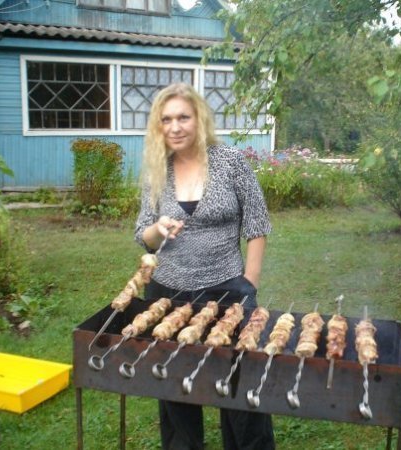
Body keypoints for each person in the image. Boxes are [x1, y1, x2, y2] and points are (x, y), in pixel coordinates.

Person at [134, 82, 275, 450]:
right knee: (175, 382)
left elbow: (257, 224)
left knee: (241, 382)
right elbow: (143, 235)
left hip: (227, 288)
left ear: (199, 119)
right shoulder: (157, 169)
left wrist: (249, 282)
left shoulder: (230, 162)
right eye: (166, 119)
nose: (175, 127)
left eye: (183, 117)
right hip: (168, 292)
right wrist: (158, 228)